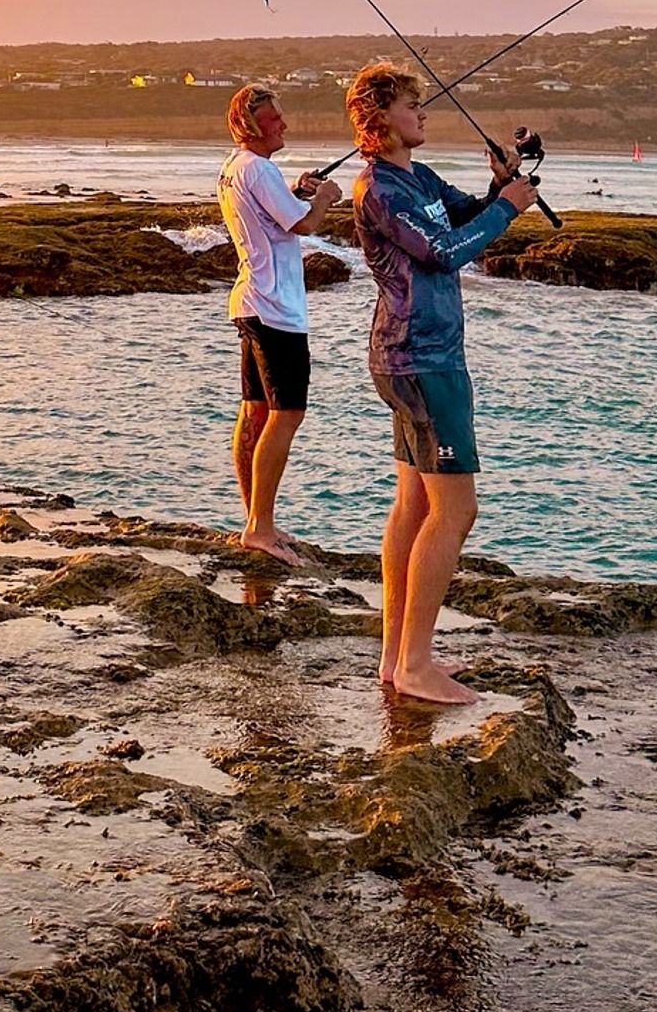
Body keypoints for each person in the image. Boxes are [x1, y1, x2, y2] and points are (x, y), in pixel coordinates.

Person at [346, 61, 539, 705]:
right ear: (379, 118)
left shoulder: (418, 178)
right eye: (411, 104)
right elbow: (446, 251)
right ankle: (415, 666)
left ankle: (396, 657)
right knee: (456, 510)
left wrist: (498, 187)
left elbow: (463, 218)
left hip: (418, 357)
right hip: (421, 359)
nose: (423, 113)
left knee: (414, 504)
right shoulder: (380, 190)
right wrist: (508, 210)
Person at [217, 85, 341, 562]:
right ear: (251, 125)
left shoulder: (236, 168)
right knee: (286, 414)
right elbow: (303, 226)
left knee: (255, 411)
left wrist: (297, 191)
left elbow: (273, 215)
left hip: (251, 301)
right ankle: (260, 527)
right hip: (275, 309)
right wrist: (324, 197)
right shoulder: (258, 167)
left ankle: (256, 519)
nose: (284, 124)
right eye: (274, 118)